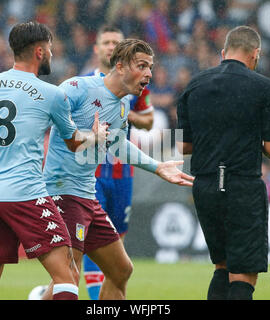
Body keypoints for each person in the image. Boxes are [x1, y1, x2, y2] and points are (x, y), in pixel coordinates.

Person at [0, 21, 109, 300]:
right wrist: (94, 137)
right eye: (50, 48)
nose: (52, 54)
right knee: (67, 274)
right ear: (39, 51)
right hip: (25, 193)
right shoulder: (52, 94)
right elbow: (73, 143)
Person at [40, 38, 194, 300]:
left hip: (87, 195)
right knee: (69, 275)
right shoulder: (77, 88)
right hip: (62, 192)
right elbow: (42, 120)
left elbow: (118, 145)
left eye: (151, 67)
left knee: (121, 270)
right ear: (120, 66)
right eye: (142, 66)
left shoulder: (123, 105)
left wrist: (157, 167)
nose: (149, 74)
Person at [177, 26, 270, 300]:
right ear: (255, 54)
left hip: (205, 186)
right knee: (243, 274)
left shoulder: (194, 84)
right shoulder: (263, 87)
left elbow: (185, 145)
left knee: (222, 266)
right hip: (241, 186)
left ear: (224, 53)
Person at [82, 25, 154, 300]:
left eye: (116, 42)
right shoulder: (85, 84)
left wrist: (126, 116)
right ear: (97, 49)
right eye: (106, 42)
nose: (111, 47)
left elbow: (149, 122)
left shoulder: (137, 86)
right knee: (93, 237)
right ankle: (94, 299)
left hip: (123, 171)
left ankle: (107, 296)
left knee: (117, 240)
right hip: (94, 171)